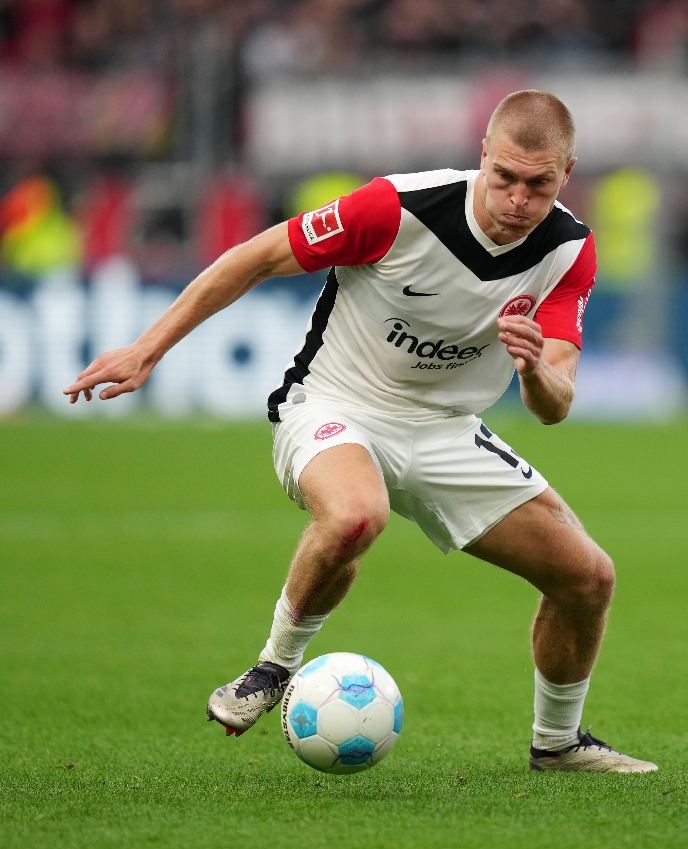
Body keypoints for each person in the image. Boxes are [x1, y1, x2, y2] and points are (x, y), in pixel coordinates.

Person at [64, 89, 657, 774]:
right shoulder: (396, 208)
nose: (519, 198)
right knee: (355, 515)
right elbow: (253, 257)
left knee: (588, 577)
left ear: (567, 173)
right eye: (505, 177)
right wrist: (148, 348)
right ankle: (273, 667)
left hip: (444, 428)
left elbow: (556, 402)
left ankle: (557, 742)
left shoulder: (569, 250)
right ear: (483, 157)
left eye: (539, 183)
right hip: (334, 401)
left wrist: (531, 370)